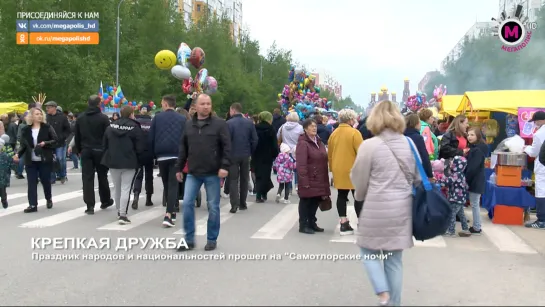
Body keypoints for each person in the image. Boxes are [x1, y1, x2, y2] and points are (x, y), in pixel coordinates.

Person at [350, 100, 419, 306]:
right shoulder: (409, 143)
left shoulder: (369, 145)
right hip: (402, 209)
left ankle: (382, 292)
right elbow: (417, 176)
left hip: (376, 207)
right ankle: (394, 303)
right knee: (394, 260)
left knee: (367, 250)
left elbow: (359, 179)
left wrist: (359, 198)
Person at [175, 93, 231, 252]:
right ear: (196, 106)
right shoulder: (188, 125)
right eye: (203, 104)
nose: (206, 106)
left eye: (208, 103)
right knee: (186, 204)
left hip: (213, 172)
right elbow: (183, 148)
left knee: (213, 206)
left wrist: (224, 166)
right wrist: (179, 167)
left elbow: (227, 147)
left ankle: (211, 239)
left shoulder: (220, 124)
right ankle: (189, 239)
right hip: (193, 172)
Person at [101, 106, 145, 225]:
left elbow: (104, 145)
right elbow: (140, 147)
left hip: (113, 161)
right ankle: (123, 215)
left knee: (117, 188)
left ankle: (118, 211)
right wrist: (140, 161)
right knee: (126, 188)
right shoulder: (135, 127)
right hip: (129, 162)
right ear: (131, 114)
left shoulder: (110, 127)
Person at [149, 95, 186, 227]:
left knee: (166, 184)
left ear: (165, 104)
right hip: (177, 155)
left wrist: (153, 155)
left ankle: (169, 213)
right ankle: (171, 212)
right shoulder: (182, 119)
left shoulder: (157, 118)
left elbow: (151, 137)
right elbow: (186, 138)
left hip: (162, 155)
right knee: (173, 184)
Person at [74, 95, 113, 215]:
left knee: (87, 177)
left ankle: (89, 205)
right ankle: (105, 200)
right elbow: (108, 136)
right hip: (100, 150)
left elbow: (77, 136)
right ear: (99, 104)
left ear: (87, 103)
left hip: (86, 150)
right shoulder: (103, 118)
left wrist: (79, 150)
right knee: (102, 176)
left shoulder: (80, 118)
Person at [14, 108, 59, 213]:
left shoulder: (47, 127)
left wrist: (45, 143)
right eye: (37, 114)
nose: (39, 116)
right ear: (31, 116)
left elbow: (55, 141)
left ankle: (48, 198)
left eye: (40, 114)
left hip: (44, 159)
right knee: (31, 182)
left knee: (45, 180)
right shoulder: (26, 129)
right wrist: (17, 154)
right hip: (31, 160)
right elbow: (23, 145)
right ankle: (32, 204)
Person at [327, 109, 363, 235]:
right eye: (353, 119)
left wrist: (332, 170)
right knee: (358, 197)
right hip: (354, 169)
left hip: (338, 169)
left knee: (342, 196)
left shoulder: (334, 133)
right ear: (350, 119)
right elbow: (361, 153)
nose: (354, 121)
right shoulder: (355, 133)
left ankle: (343, 222)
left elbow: (330, 154)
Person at [296, 118, 330, 234]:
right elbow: (301, 163)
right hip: (309, 177)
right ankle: (303, 224)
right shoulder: (303, 143)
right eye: (311, 126)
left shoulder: (318, 141)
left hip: (319, 177)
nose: (314, 128)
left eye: (315, 126)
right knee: (306, 201)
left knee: (315, 200)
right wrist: (304, 180)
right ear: (305, 129)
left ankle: (312, 222)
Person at [226, 103, 257, 213]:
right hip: (245, 154)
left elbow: (226, 141)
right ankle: (243, 203)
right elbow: (254, 140)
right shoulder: (249, 123)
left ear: (233, 110)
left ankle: (234, 204)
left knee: (233, 179)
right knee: (244, 179)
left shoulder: (228, 123)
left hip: (232, 155)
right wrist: (250, 151)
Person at [465, 126, 489, 235]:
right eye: (468, 134)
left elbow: (472, 168)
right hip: (477, 179)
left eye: (472, 135)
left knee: (474, 204)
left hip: (476, 180)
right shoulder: (477, 148)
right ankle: (476, 226)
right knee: (474, 203)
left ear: (478, 136)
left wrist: (465, 179)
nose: (469, 137)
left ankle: (477, 227)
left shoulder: (477, 150)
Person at [524, 111, 545, 229]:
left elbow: (534, 152)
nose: (535, 123)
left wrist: (525, 148)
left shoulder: (539, 134)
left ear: (541, 120)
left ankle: (541, 220)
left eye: (536, 121)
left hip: (542, 166)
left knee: (541, 191)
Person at [252, 111, 278, 203]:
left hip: (257, 154)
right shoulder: (271, 129)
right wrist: (275, 154)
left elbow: (252, 141)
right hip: (267, 155)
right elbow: (274, 144)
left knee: (258, 174)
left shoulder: (255, 128)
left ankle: (259, 195)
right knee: (266, 175)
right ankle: (263, 194)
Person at [131, 104, 154, 209]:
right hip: (149, 152)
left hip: (138, 152)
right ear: (149, 112)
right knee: (149, 176)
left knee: (138, 175)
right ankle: (148, 199)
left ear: (140, 111)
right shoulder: (153, 122)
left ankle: (136, 195)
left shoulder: (136, 123)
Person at [44, 101, 71, 184]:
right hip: (49, 143)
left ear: (54, 108)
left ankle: (62, 175)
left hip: (60, 143)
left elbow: (68, 130)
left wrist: (63, 137)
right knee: (50, 160)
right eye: (46, 107)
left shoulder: (62, 117)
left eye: (48, 107)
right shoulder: (46, 117)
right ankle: (52, 177)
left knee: (60, 159)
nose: (47, 109)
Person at [404, 114, 433, 179]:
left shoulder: (402, 136)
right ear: (416, 124)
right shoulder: (418, 138)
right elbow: (424, 157)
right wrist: (430, 175)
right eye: (419, 122)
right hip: (417, 171)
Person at [0, 139, 13, 208]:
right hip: (4, 177)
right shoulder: (6, 156)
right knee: (2, 190)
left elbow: (11, 164)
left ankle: (4, 200)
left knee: (2, 191)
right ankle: (4, 200)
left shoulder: (6, 156)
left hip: (3, 177)